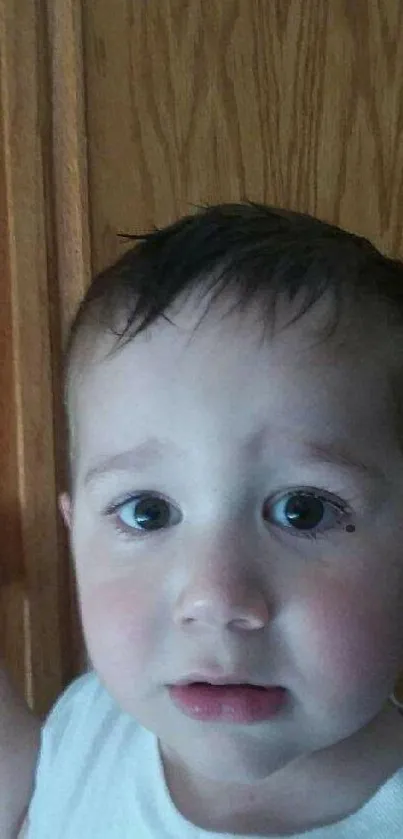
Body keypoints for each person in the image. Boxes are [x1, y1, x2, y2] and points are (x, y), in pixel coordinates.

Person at [3, 201, 403, 838]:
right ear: (76, 536)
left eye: (303, 510)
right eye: (148, 512)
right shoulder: (95, 720)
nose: (215, 598)